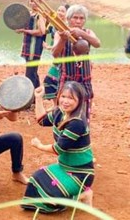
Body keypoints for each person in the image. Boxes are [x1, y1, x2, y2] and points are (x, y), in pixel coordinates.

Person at [22, 82, 94, 213]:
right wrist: (38, 98)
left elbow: (58, 149)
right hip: (63, 166)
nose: (65, 101)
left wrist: (39, 146)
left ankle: (83, 195)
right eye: (63, 96)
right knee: (34, 181)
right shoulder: (60, 112)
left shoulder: (77, 123)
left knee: (51, 201)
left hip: (80, 173)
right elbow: (42, 120)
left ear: (79, 101)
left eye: (71, 98)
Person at [52, 5, 100, 120]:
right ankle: (65, 134)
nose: (78, 21)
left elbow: (97, 43)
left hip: (84, 79)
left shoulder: (88, 32)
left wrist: (81, 34)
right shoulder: (60, 33)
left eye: (81, 18)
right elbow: (54, 53)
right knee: (65, 109)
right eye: (75, 18)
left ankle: (83, 132)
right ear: (68, 19)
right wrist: (63, 39)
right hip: (68, 78)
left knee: (84, 108)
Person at [16, 0, 47, 88]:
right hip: (27, 45)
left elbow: (42, 31)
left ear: (40, 2)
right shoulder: (28, 13)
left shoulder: (40, 15)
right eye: (32, 1)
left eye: (36, 1)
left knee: (30, 73)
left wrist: (25, 31)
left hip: (35, 47)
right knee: (33, 71)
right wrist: (19, 29)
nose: (33, 3)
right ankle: (37, 92)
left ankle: (30, 96)